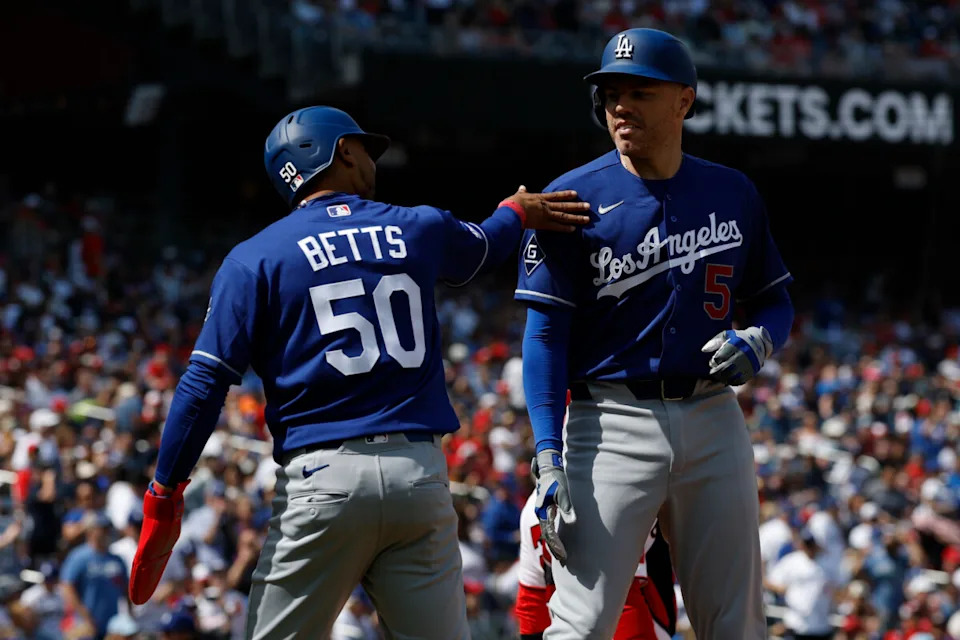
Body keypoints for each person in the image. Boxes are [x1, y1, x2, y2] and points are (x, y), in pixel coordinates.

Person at [127, 106, 590, 639]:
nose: (372, 157)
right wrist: (517, 209)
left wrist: (165, 492)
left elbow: (203, 384)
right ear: (342, 150)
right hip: (418, 477)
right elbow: (483, 248)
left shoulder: (254, 258)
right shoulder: (415, 225)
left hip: (323, 481)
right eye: (364, 146)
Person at [515, 28, 794, 639]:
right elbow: (543, 337)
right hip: (609, 422)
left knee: (737, 622)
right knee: (581, 623)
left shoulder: (732, 191)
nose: (620, 107)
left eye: (640, 92)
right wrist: (545, 450)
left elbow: (775, 299)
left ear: (684, 101)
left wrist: (763, 339)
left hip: (713, 413)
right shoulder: (570, 198)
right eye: (611, 94)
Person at [515, 491, 676, 640]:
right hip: (619, 612)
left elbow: (531, 605)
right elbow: (625, 604)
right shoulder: (615, 491)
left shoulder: (532, 507)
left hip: (570, 621)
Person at [60, 512, 129, 639]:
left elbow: (126, 589)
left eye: (107, 529)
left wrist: (129, 616)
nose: (106, 532)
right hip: (86, 624)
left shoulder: (116, 559)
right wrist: (84, 615)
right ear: (90, 531)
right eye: (102, 529)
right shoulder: (78, 557)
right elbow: (67, 587)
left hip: (113, 625)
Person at [764, 529, 842, 640]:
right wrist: (787, 591)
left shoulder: (827, 562)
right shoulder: (792, 561)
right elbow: (770, 581)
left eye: (811, 544)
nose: (809, 547)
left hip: (821, 625)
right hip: (797, 623)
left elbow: (838, 588)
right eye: (806, 544)